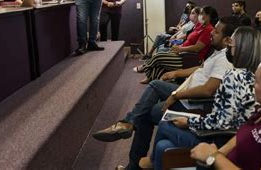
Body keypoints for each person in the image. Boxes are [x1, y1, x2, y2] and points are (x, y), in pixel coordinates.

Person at [93, 16, 241, 170]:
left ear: (227, 40)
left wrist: (176, 95)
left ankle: (131, 142)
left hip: (191, 102)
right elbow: (201, 69)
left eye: (216, 32)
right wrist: (176, 73)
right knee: (155, 85)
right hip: (185, 91)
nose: (212, 33)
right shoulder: (219, 52)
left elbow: (208, 90)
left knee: (146, 114)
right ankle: (128, 125)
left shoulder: (225, 59)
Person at [144, 26, 261, 169]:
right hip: (240, 140)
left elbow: (221, 122)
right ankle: (153, 162)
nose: (228, 45)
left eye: (231, 42)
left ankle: (150, 162)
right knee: (162, 146)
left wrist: (189, 121)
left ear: (240, 48)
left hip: (222, 140)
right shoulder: (259, 76)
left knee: (165, 124)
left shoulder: (235, 75)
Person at [134, 6, 218, 84]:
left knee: (158, 57)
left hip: (190, 59)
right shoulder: (201, 27)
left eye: (201, 13)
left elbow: (197, 48)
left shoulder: (208, 29)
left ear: (208, 16)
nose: (200, 16)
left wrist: (180, 49)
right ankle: (153, 80)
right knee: (160, 59)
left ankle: (145, 67)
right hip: (182, 53)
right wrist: (179, 47)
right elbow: (188, 38)